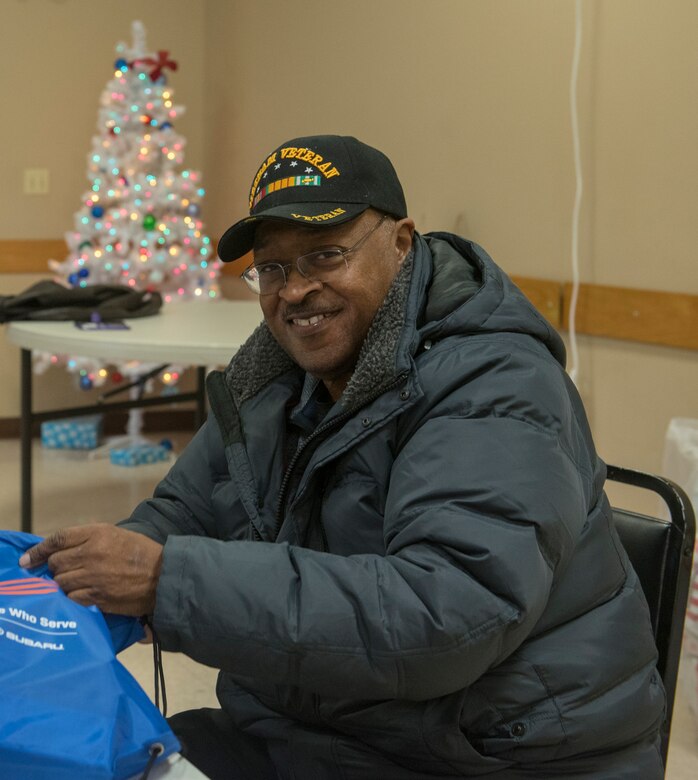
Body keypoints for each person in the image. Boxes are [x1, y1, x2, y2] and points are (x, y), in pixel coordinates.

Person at [20, 135, 665, 779]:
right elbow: (186, 510)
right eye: (271, 269)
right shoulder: (272, 376)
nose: (295, 291)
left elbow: (446, 616)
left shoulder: (496, 382)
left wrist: (168, 582)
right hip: (318, 730)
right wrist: (92, 570)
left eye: (325, 255)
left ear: (402, 242)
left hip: (485, 753)